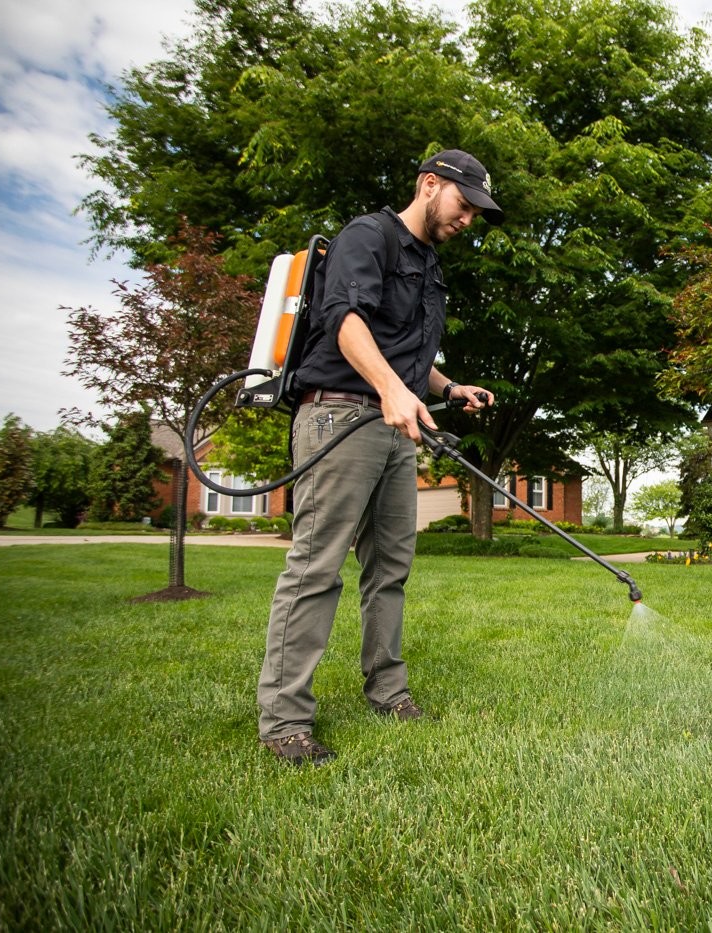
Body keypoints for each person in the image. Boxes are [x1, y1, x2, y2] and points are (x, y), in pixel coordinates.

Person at [258, 149, 502, 766]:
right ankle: (285, 720)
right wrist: (392, 389)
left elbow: (406, 348)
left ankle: (388, 691)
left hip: (397, 426)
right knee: (316, 567)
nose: (469, 218)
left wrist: (444, 388)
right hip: (340, 415)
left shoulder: (429, 264)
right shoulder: (368, 236)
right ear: (429, 185)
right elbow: (346, 320)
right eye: (464, 204)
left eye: (476, 211)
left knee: (390, 567)